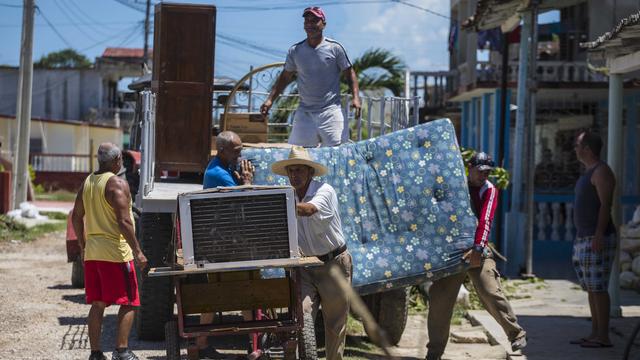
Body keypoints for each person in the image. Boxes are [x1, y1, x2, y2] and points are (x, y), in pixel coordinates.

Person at [426, 152, 527, 360]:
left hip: (478, 249)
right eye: (480, 171)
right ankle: (434, 353)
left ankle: (516, 334)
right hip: (453, 252)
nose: (483, 176)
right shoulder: (456, 184)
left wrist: (478, 249)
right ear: (469, 168)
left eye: (487, 172)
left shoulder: (489, 190)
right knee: (440, 301)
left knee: (490, 291)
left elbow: (486, 220)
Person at [271, 146, 352, 360]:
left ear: (310, 172)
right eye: (291, 171)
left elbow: (308, 210)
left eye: (299, 170)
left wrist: (275, 202)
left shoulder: (324, 190)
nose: (294, 175)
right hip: (306, 266)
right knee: (302, 316)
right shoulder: (287, 196)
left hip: (334, 263)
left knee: (335, 325)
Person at [71, 143, 147, 360]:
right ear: (116, 161)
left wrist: (82, 245)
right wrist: (138, 251)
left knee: (98, 304)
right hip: (116, 252)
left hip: (94, 253)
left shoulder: (88, 182)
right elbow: (124, 221)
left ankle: (95, 354)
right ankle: (122, 351)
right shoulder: (117, 184)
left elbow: (76, 216)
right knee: (130, 301)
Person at [260, 6, 361, 147]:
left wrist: (356, 97)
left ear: (323, 24)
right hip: (305, 112)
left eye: (314, 21)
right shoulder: (295, 51)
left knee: (337, 153)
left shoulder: (335, 48)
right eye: (307, 21)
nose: (310, 24)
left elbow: (349, 73)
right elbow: (285, 77)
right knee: (299, 154)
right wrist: (270, 100)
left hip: (331, 111)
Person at [198, 131, 255, 356]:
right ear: (222, 150)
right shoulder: (218, 174)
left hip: (228, 241)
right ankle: (253, 343)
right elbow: (245, 199)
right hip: (223, 244)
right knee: (241, 290)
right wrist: (248, 182)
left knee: (241, 289)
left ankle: (253, 341)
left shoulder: (226, 167)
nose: (241, 154)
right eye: (237, 150)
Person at [570, 130, 616, 348]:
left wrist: (598, 234)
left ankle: (603, 336)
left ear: (587, 148)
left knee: (598, 287)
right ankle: (594, 333)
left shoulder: (601, 171)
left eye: (578, 145)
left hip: (597, 238)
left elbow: (606, 206)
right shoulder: (587, 172)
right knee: (590, 288)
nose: (575, 149)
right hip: (583, 238)